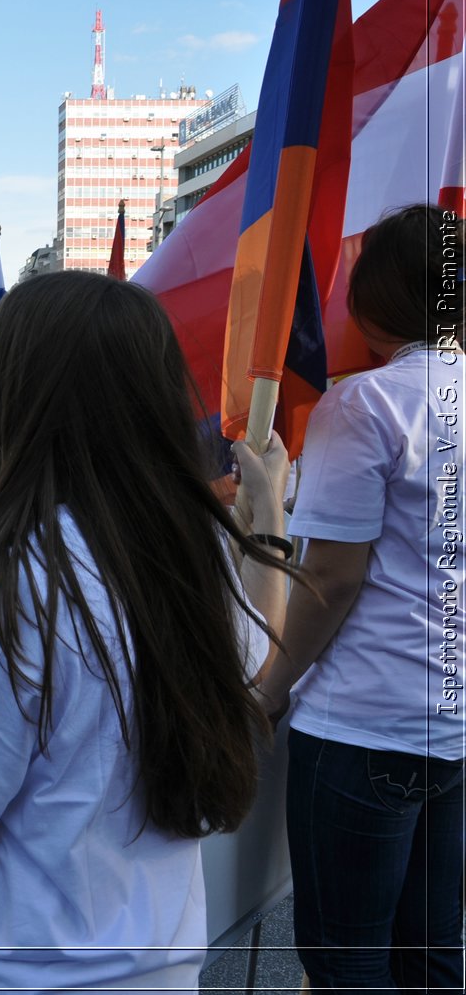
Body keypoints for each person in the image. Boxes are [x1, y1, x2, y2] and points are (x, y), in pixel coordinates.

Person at [0, 271, 294, 993]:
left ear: (19, 398)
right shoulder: (192, 544)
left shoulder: (13, 582)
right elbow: (258, 656)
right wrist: (270, 522)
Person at [251, 205, 463, 993]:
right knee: (434, 944)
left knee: (348, 958)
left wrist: (269, 692)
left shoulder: (366, 405)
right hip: (452, 720)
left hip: (364, 724)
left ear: (374, 299)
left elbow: (334, 576)